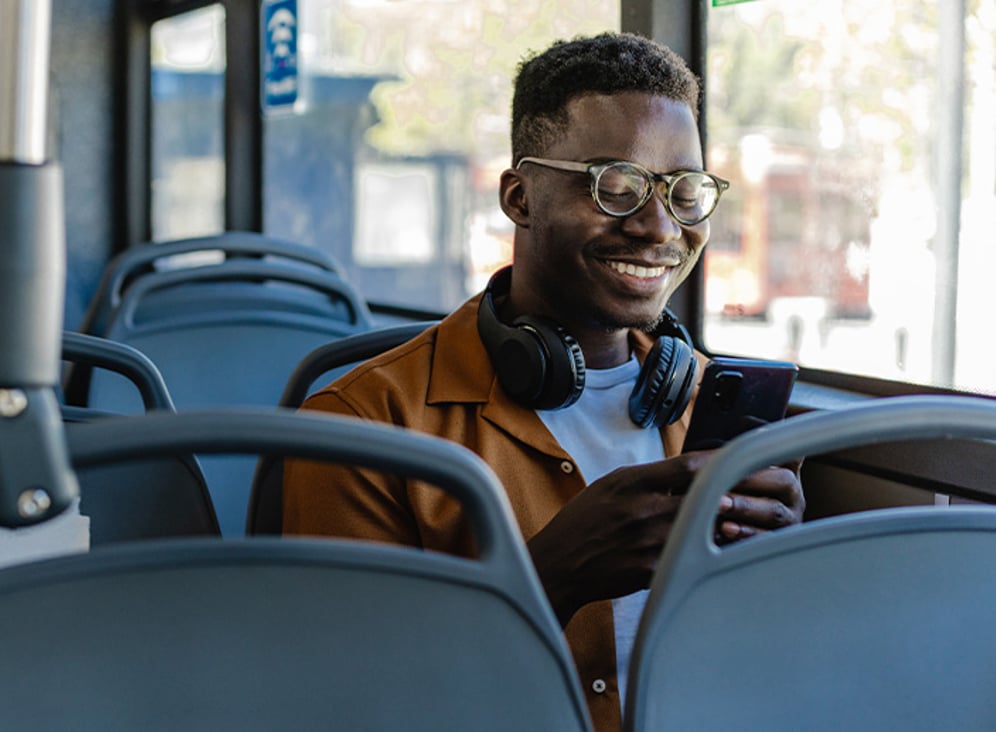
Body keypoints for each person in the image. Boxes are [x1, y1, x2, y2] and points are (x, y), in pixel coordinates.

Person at [282, 31, 804, 731]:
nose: (659, 227)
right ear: (521, 197)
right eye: (614, 187)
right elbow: (349, 701)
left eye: (685, 192)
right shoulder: (362, 424)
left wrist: (779, 574)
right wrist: (550, 575)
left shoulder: (717, 406)